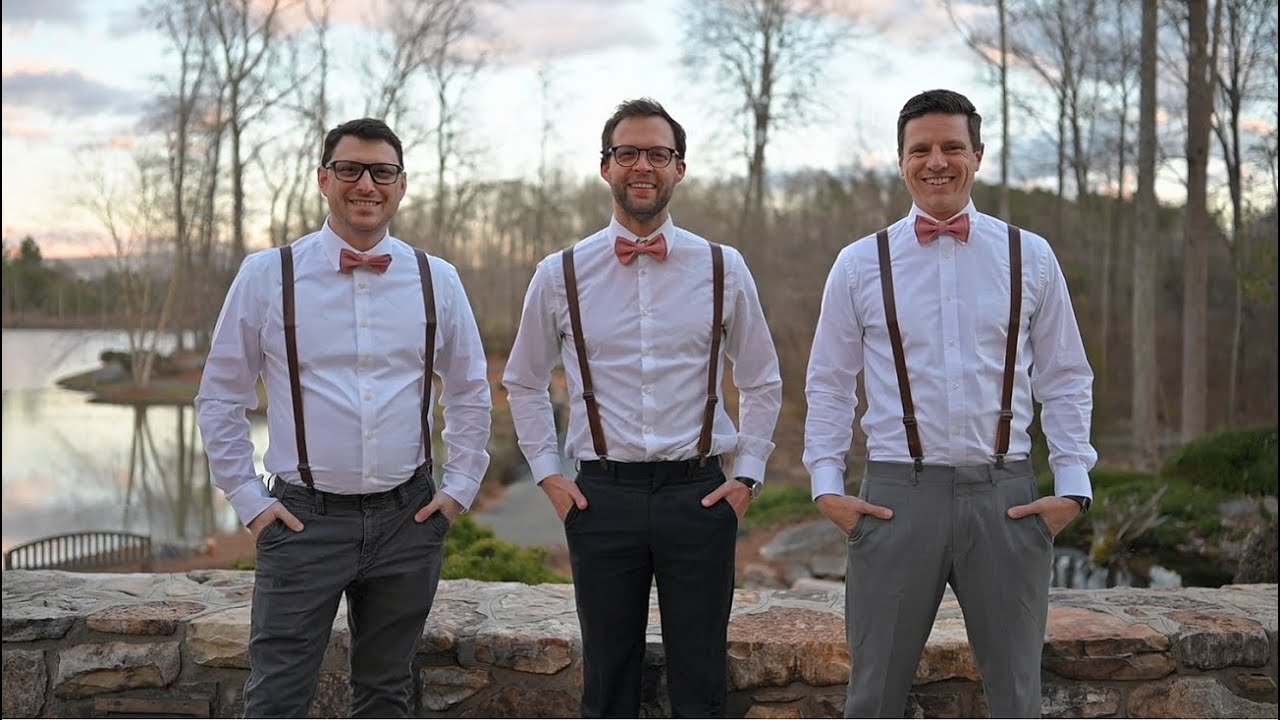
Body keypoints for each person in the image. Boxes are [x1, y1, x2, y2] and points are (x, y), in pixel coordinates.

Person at [803, 89, 1096, 718]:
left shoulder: (1030, 256)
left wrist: (1073, 486)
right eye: (921, 150)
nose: (936, 161)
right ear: (901, 161)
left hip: (1007, 499)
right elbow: (829, 382)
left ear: (978, 155)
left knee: (1018, 699)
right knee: (873, 699)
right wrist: (827, 486)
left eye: (952, 147)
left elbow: (1066, 375)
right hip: (894, 499)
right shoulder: (859, 264)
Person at [195, 117, 492, 718]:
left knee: (386, 695)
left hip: (408, 520)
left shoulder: (437, 279)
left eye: (382, 172)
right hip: (302, 521)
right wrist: (249, 500)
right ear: (324, 179)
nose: (366, 184)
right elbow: (221, 396)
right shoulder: (268, 275)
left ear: (401, 184)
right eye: (351, 169)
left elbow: (467, 389)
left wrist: (460, 486)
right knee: (276, 697)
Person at [502, 97, 782, 718]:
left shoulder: (723, 267)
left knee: (701, 679)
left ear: (679, 167)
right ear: (606, 166)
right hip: (601, 498)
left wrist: (748, 477)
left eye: (658, 153)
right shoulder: (559, 274)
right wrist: (548, 474)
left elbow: (761, 379)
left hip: (700, 496)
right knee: (607, 679)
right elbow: (523, 381)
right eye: (627, 152)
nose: (642, 166)